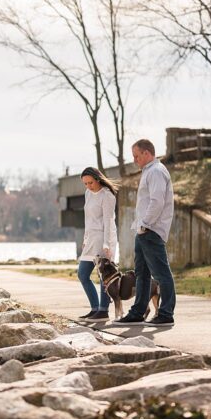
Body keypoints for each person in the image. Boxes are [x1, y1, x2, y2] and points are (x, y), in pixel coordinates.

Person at [114, 138, 177, 327]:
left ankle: (166, 313)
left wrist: (145, 224)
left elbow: (156, 202)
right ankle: (138, 312)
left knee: (161, 273)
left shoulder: (156, 171)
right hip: (143, 231)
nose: (134, 160)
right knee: (141, 274)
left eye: (136, 156)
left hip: (150, 230)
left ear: (147, 153)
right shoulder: (149, 171)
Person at [77, 167, 118, 321]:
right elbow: (88, 219)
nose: (88, 186)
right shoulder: (88, 193)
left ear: (98, 179)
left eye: (90, 183)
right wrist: (85, 238)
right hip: (91, 239)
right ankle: (95, 308)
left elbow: (108, 221)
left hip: (103, 238)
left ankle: (103, 310)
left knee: (104, 276)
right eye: (85, 184)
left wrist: (107, 244)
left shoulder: (107, 196)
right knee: (82, 274)